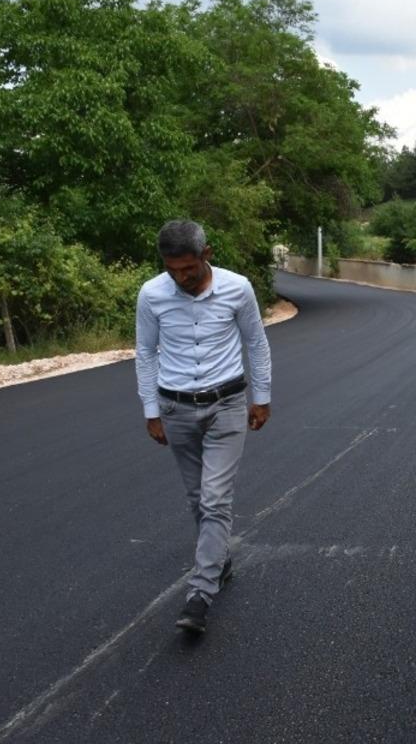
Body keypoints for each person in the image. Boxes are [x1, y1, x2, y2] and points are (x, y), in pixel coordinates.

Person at [135, 220, 273, 633]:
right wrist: (150, 411)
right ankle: (219, 557)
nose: (181, 278)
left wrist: (261, 398)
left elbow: (255, 342)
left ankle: (200, 593)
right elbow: (145, 352)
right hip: (175, 409)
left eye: (189, 269)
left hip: (227, 405)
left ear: (206, 254)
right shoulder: (151, 294)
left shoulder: (238, 288)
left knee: (215, 500)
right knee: (197, 498)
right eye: (172, 270)